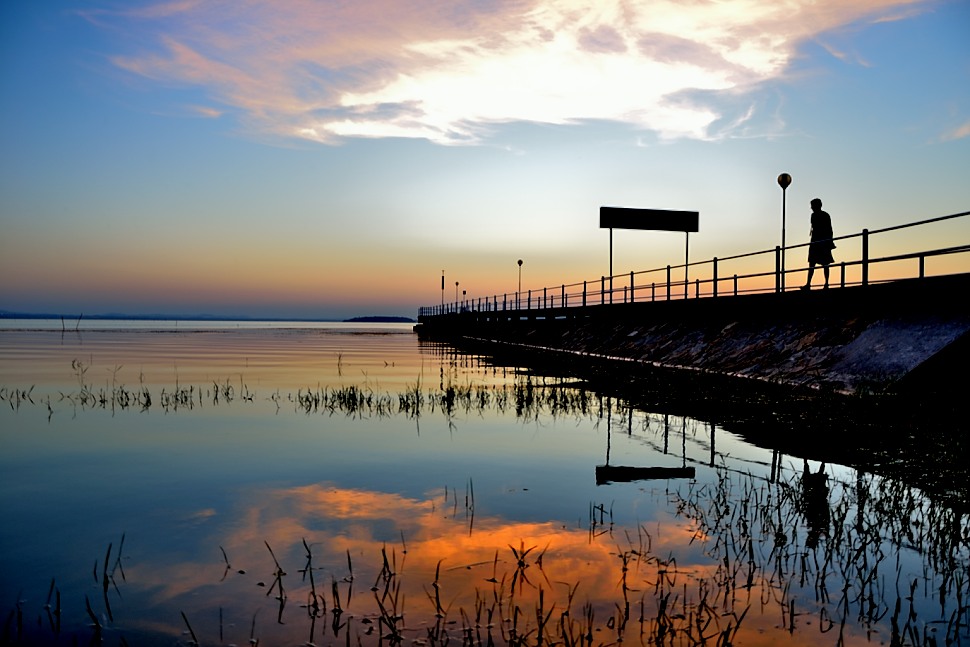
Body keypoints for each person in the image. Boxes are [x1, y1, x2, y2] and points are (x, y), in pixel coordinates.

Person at [801, 198, 835, 290]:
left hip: (821, 241)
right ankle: (809, 284)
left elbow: (829, 229)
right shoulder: (815, 215)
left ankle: (825, 283)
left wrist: (829, 241)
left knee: (824, 263)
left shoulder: (824, 215)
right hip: (816, 241)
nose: (811, 208)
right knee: (814, 263)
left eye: (812, 205)